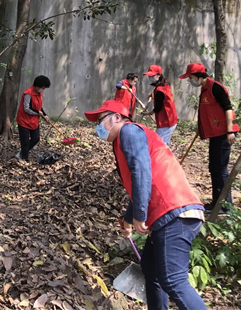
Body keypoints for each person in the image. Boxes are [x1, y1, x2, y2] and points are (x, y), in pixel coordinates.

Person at [85, 100, 206, 310]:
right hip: (168, 214)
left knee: (174, 280)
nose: (98, 126)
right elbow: (138, 186)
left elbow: (142, 172)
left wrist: (139, 215)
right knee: (152, 270)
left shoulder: (129, 132)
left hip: (174, 211)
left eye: (100, 120)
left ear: (117, 117)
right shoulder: (122, 141)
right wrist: (128, 219)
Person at [179, 63, 239, 212]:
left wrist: (230, 131)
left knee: (221, 169)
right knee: (213, 168)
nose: (190, 80)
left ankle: (226, 206)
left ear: (198, 75)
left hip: (224, 134)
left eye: (191, 77)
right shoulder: (204, 89)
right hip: (215, 134)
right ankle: (216, 202)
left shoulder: (215, 87)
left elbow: (228, 108)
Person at [16, 75, 51, 161]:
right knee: (25, 142)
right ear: (37, 86)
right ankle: (24, 159)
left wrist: (45, 115)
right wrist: (37, 113)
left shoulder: (40, 94)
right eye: (42, 87)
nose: (43, 89)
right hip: (24, 121)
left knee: (36, 138)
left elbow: (39, 107)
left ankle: (22, 153)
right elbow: (26, 108)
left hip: (33, 121)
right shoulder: (28, 94)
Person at [142, 64, 178, 146]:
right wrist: (153, 93)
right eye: (149, 76)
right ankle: (168, 158)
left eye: (152, 76)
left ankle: (163, 158)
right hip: (171, 119)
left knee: (159, 144)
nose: (150, 78)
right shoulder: (165, 84)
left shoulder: (159, 90)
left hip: (166, 122)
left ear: (158, 75)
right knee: (165, 143)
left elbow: (158, 108)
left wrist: (147, 113)